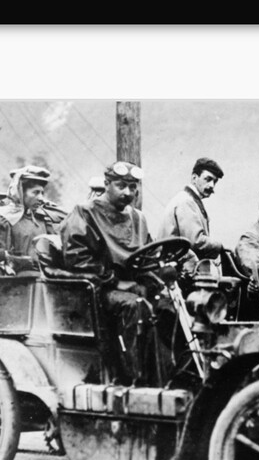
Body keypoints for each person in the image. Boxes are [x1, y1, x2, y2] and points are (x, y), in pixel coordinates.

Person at [60, 161, 174, 385]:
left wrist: (161, 278)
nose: (127, 193)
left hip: (132, 286)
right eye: (121, 186)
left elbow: (148, 256)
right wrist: (113, 281)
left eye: (132, 187)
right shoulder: (86, 213)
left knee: (168, 306)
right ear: (107, 184)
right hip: (98, 290)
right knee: (133, 306)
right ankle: (130, 379)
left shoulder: (138, 218)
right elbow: (76, 258)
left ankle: (167, 376)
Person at [0, 164, 63, 269]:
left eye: (42, 193)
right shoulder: (3, 219)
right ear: (21, 192)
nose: (41, 198)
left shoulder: (43, 218)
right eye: (35, 192)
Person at [158, 157, 225, 259]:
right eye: (208, 179)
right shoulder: (186, 201)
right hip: (174, 264)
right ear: (194, 178)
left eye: (215, 182)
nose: (212, 185)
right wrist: (219, 246)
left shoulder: (189, 200)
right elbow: (196, 242)